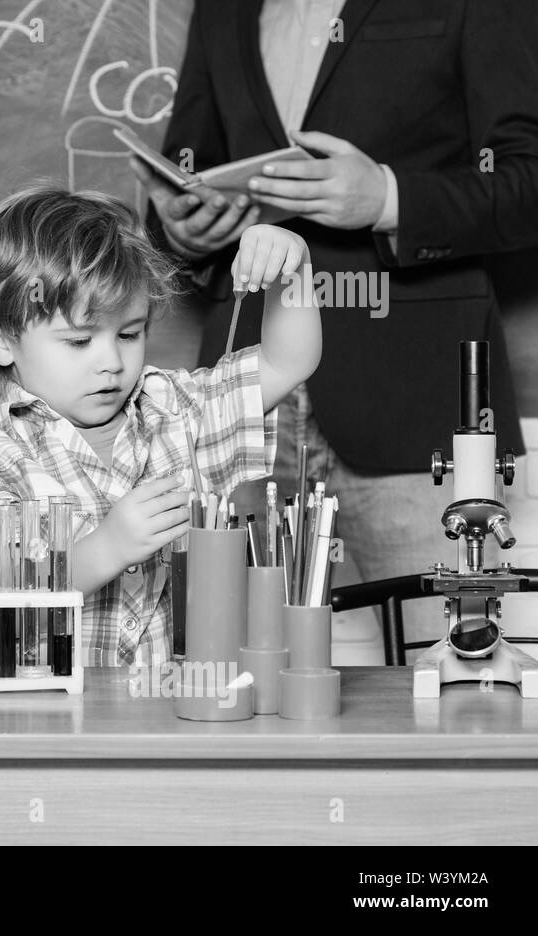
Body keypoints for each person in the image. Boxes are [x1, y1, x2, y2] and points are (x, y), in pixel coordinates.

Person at [137, 0, 538, 655]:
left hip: (416, 396)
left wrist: (386, 197)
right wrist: (180, 226)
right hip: (244, 388)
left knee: (449, 665)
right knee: (216, 665)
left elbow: (528, 180)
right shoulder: (222, 8)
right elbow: (186, 170)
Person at [0, 185, 320, 666]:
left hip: (172, 715)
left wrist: (294, 267)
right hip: (51, 724)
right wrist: (106, 548)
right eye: (79, 341)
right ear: (0, 342)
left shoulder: (175, 408)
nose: (111, 362)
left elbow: (287, 363)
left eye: (130, 333)